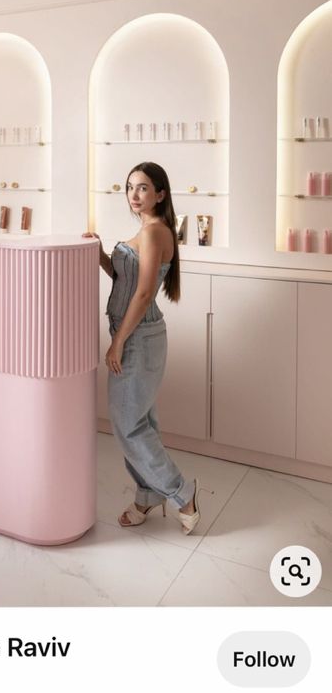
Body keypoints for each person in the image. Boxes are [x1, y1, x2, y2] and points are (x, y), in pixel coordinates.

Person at [84, 161, 205, 534]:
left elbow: (143, 292)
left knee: (127, 426)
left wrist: (118, 342)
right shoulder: (148, 231)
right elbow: (126, 279)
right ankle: (145, 498)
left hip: (139, 337)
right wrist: (102, 255)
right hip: (140, 333)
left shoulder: (155, 233)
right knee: (142, 423)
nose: (134, 195)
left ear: (160, 194)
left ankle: (181, 493)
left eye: (143, 188)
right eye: (130, 187)